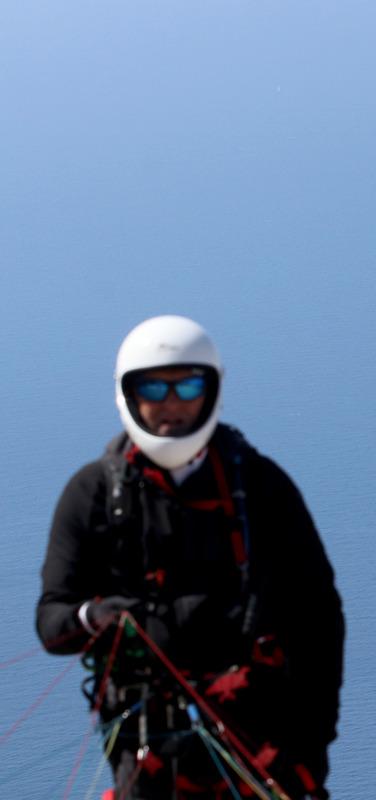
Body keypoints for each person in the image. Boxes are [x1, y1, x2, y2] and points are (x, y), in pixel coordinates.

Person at [37, 315, 344, 799]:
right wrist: (94, 617)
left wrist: (311, 758)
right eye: (154, 389)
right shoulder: (93, 495)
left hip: (259, 747)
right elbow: (52, 622)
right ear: (129, 395)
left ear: (212, 390)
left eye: (189, 387)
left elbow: (319, 625)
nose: (172, 405)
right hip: (146, 750)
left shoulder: (263, 489)